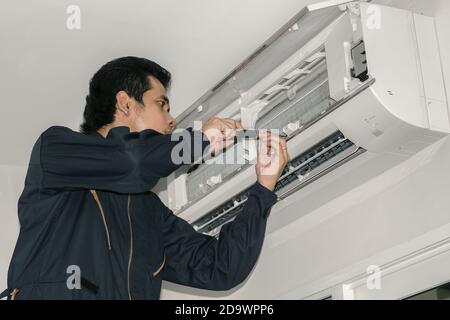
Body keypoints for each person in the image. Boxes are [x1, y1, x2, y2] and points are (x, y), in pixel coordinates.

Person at [2, 56, 289, 300]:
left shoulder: (149, 213)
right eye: (162, 104)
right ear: (125, 103)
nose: (172, 119)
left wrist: (263, 189)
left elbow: (220, 268)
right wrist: (197, 141)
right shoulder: (56, 150)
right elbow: (131, 161)